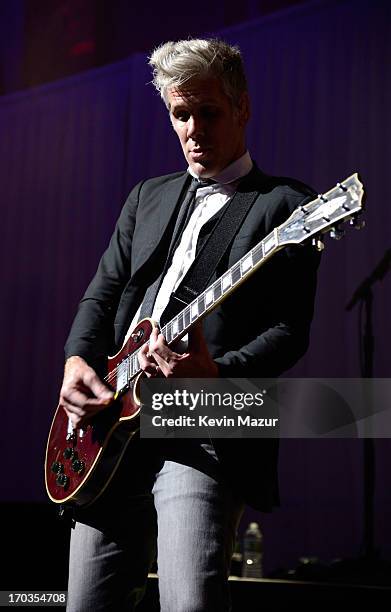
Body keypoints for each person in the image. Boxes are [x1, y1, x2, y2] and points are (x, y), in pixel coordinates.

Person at [60, 38, 320, 611]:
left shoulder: (285, 206)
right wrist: (78, 360)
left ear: (243, 108)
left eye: (210, 112)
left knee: (190, 602)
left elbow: (289, 331)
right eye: (181, 114)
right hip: (111, 429)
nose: (194, 129)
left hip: (201, 421)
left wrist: (213, 374)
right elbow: (102, 293)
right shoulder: (147, 197)